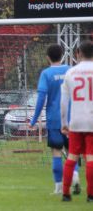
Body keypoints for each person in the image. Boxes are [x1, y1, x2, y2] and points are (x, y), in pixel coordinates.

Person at [29, 44, 80, 195]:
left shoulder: (46, 74)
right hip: (72, 119)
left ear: (47, 57)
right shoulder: (70, 71)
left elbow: (41, 98)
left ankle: (58, 187)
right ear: (63, 55)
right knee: (72, 152)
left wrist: (34, 120)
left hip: (54, 120)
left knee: (57, 152)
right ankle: (75, 176)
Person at [60, 41, 93, 202]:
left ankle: (66, 194)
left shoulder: (71, 73)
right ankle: (91, 195)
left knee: (72, 156)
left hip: (76, 120)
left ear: (78, 53)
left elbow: (64, 102)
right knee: (91, 158)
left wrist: (64, 123)